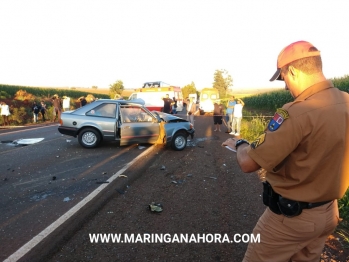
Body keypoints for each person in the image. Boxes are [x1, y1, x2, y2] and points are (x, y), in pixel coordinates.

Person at [222, 40, 349, 262]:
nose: (286, 87)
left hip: (291, 219)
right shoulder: (346, 102)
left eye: (284, 78)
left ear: (292, 70)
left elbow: (248, 164)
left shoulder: (297, 112)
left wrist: (241, 144)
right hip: (328, 213)